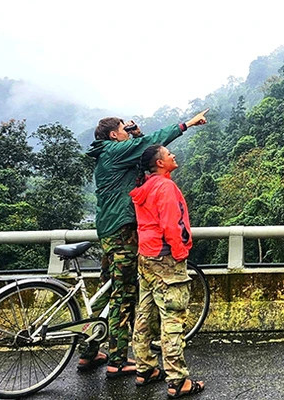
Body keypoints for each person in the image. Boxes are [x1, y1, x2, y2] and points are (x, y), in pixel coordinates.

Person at [77, 109, 208, 378]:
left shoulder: (109, 154)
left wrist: (137, 134)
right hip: (123, 230)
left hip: (109, 228)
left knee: (107, 289)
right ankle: (117, 360)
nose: (128, 131)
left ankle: (88, 352)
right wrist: (187, 124)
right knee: (123, 296)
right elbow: (151, 149)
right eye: (125, 129)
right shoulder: (114, 151)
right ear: (114, 135)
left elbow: (147, 156)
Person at [129, 144, 204, 398]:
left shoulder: (145, 187)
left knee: (145, 314)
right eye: (167, 153)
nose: (172, 154)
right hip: (165, 258)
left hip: (146, 256)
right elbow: (172, 223)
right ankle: (177, 380)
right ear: (160, 163)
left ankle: (145, 368)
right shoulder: (165, 187)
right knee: (172, 318)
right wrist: (181, 252)